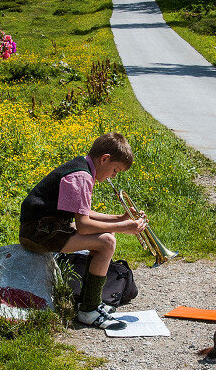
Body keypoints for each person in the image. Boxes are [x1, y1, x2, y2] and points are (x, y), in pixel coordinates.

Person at [19, 132, 147, 329]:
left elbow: (82, 212)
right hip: (39, 233)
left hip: (45, 227)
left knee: (106, 236)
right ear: (105, 159)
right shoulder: (82, 177)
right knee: (107, 241)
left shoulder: (82, 167)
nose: (114, 175)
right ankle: (88, 310)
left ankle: (89, 302)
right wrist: (123, 227)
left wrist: (119, 219)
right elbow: (84, 225)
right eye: (115, 170)